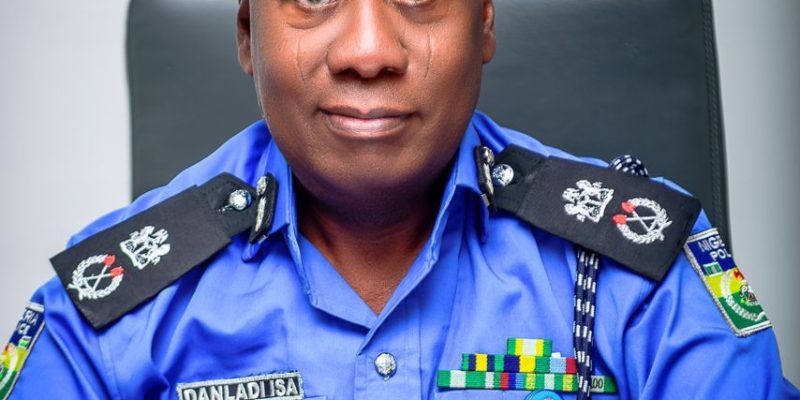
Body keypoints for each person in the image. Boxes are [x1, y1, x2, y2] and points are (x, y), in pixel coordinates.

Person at [1, 0, 798, 399]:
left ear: (484, 23)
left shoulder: (637, 269)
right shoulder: (107, 311)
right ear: (246, 33)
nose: (368, 50)